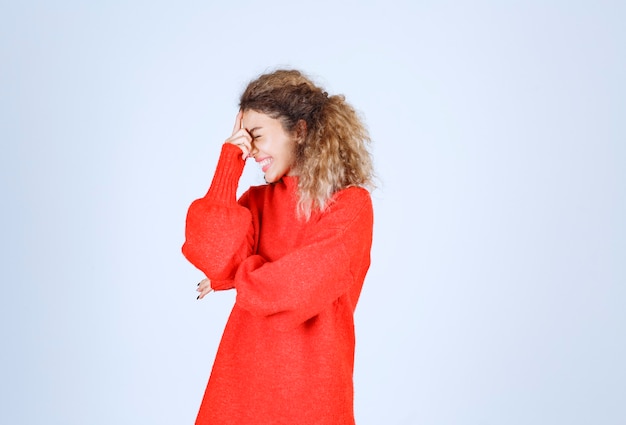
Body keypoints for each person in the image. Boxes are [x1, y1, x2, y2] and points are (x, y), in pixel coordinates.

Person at [182, 69, 374, 425]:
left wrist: (238, 276)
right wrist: (228, 162)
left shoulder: (350, 205)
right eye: (244, 139)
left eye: (256, 135)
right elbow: (210, 253)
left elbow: (299, 287)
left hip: (310, 394)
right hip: (238, 385)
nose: (250, 150)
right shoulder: (256, 201)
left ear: (299, 131)